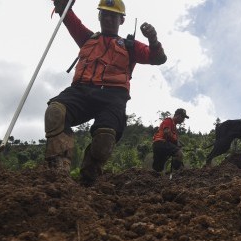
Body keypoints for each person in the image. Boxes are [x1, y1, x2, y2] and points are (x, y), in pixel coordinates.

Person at [44, 0, 167, 183]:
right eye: (105, 14)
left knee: (105, 139)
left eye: (113, 16)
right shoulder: (87, 38)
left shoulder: (130, 46)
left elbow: (158, 58)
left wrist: (153, 39)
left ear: (121, 20)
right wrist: (62, 4)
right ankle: (58, 174)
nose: (108, 19)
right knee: (56, 112)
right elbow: (68, 16)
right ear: (99, 16)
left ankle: (88, 178)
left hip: (113, 96)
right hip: (81, 90)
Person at [152, 108, 189, 172]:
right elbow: (167, 132)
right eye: (183, 117)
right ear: (178, 115)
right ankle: (177, 173)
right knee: (179, 154)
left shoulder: (174, 126)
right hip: (161, 143)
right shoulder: (169, 120)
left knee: (158, 169)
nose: (183, 120)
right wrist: (176, 142)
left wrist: (178, 142)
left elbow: (171, 137)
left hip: (157, 145)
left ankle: (153, 176)